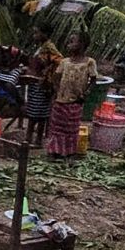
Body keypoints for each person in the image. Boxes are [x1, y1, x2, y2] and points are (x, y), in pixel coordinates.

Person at [46, 31, 97, 160]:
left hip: (76, 100)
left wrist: (86, 93)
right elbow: (56, 77)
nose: (68, 45)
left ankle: (69, 152)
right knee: (57, 127)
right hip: (60, 100)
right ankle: (54, 151)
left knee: (71, 128)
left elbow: (93, 80)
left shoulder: (89, 62)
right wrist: (56, 90)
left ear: (82, 44)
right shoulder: (64, 62)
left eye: (72, 42)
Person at [25, 22, 63, 147]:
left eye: (37, 33)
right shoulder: (41, 47)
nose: (34, 36)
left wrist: (47, 72)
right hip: (35, 82)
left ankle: (36, 140)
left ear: (45, 34)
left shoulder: (49, 47)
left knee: (39, 113)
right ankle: (29, 138)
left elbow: (59, 61)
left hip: (43, 84)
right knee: (33, 112)